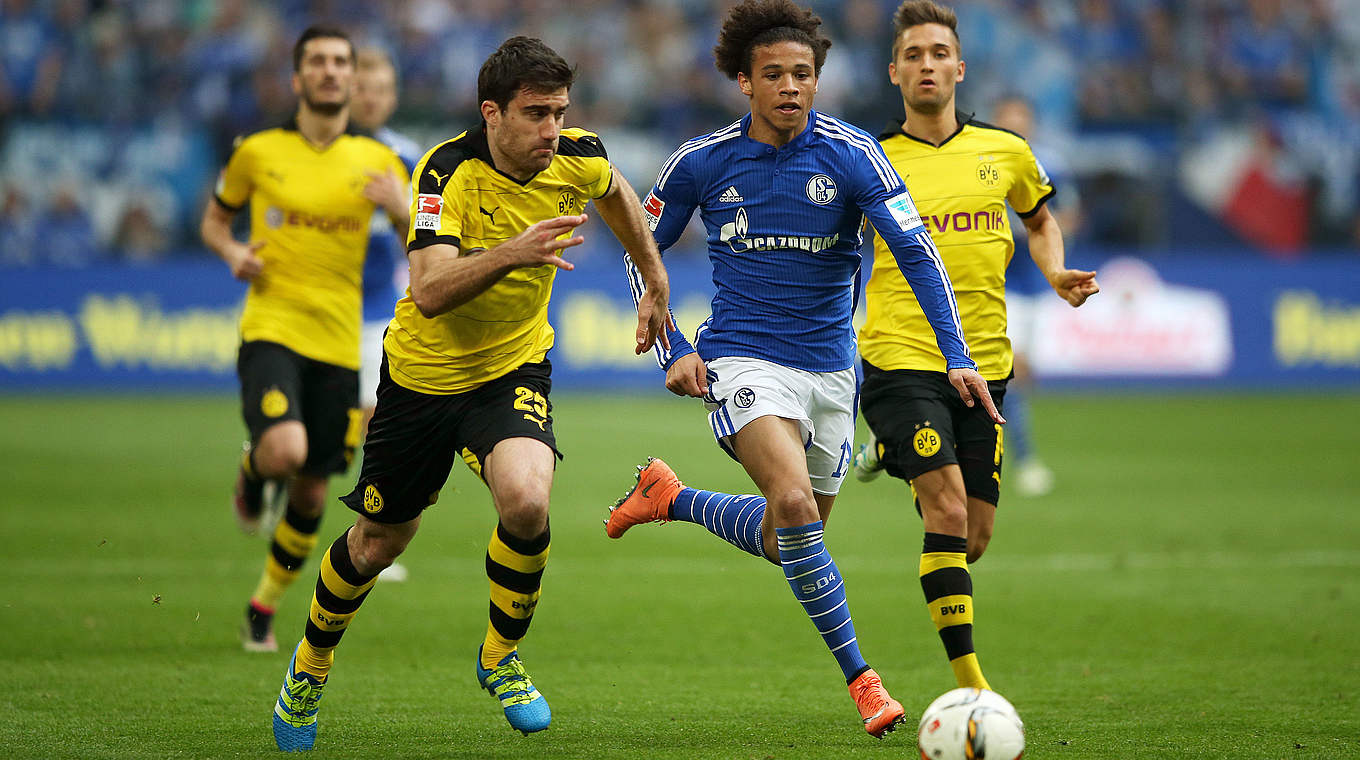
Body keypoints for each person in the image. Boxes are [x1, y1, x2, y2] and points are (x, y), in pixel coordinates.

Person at [604, 0, 999, 739]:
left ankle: (672, 497)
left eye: (804, 74)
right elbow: (641, 251)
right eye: (775, 75)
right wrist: (676, 348)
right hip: (744, 360)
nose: (791, 86)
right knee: (790, 504)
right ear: (744, 84)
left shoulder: (853, 153)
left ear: (819, 80)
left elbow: (916, 253)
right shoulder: (702, 161)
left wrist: (955, 355)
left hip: (831, 373)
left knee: (790, 536)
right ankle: (865, 683)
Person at [269, 36, 672, 751]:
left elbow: (618, 196)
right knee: (378, 543)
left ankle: (499, 656)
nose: (552, 129)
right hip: (422, 379)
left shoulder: (578, 155)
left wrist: (652, 277)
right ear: (492, 113)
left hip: (511, 370)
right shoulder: (443, 173)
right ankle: (309, 666)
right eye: (535, 114)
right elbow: (427, 292)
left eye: (559, 112)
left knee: (527, 498)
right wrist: (514, 251)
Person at [851, 1, 1099, 692]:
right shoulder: (868, 159)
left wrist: (1053, 271)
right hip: (901, 359)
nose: (927, 64)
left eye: (938, 53)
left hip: (986, 362)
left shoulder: (1006, 152)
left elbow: (1041, 218)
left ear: (959, 67)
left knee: (973, 538)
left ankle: (889, 454)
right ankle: (972, 687)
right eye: (914, 55)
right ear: (894, 70)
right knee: (948, 511)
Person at [200, 25, 409, 655]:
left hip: (341, 342)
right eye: (317, 61)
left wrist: (402, 210)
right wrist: (233, 251)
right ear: (297, 79)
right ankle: (252, 467)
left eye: (340, 62)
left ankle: (262, 607)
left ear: (351, 77)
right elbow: (214, 219)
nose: (330, 71)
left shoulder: (380, 163)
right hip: (272, 328)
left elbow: (424, 253)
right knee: (287, 451)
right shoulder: (258, 151)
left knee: (315, 489)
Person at [350, 46, 425, 583]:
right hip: (315, 305)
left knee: (379, 412)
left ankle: (372, 530)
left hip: (378, 304)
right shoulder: (319, 151)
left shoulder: (406, 158)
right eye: (362, 88)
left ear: (392, 96)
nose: (371, 97)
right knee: (320, 430)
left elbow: (427, 242)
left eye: (381, 89)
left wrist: (401, 209)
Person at [990, 93, 1085, 497]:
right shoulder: (981, 158)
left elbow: (1069, 217)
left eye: (1021, 120)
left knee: (1013, 376)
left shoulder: (1047, 164)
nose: (1016, 127)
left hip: (1028, 285)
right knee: (1006, 374)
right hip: (988, 282)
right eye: (1008, 120)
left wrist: (1041, 233)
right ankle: (1024, 461)